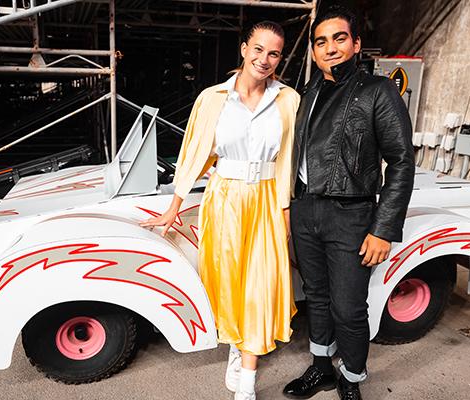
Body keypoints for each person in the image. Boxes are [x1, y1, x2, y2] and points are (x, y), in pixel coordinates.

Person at [140, 21, 300, 400]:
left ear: (280, 58)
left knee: (261, 285)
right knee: (229, 283)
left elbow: (289, 161)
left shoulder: (288, 100)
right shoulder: (213, 97)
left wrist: (286, 213)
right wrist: (174, 206)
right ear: (244, 49)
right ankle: (236, 343)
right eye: (258, 49)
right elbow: (193, 151)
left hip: (266, 199)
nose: (264, 59)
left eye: (274, 53)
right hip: (224, 198)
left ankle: (246, 383)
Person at [282, 5, 415, 400]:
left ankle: (352, 377)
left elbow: (402, 161)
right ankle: (322, 368)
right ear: (313, 51)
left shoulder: (379, 91)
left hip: (351, 214)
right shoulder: (306, 93)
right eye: (321, 42)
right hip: (306, 210)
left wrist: (383, 227)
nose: (331, 48)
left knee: (349, 307)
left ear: (356, 44)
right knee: (316, 297)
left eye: (340, 38)